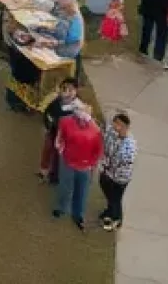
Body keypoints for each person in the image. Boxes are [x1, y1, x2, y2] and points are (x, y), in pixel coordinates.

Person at [51, 101, 102, 230]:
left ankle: (77, 213)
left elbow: (98, 150)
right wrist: (63, 152)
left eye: (85, 110)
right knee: (65, 186)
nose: (83, 113)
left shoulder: (95, 130)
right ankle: (62, 207)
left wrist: (92, 164)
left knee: (82, 190)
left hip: (85, 166)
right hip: (68, 162)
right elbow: (59, 139)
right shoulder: (65, 122)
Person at [97, 112, 137, 233]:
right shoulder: (111, 132)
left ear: (126, 127)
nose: (116, 127)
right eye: (115, 123)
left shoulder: (130, 144)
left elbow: (123, 160)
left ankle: (116, 219)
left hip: (120, 177)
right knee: (107, 192)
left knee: (115, 198)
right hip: (107, 172)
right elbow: (103, 135)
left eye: (120, 125)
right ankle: (109, 210)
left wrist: (109, 163)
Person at [39, 78, 80, 183]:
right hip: (53, 131)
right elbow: (47, 113)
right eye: (65, 89)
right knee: (47, 150)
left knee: (59, 156)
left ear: (76, 91)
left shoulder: (78, 107)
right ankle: (44, 171)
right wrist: (48, 125)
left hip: (65, 137)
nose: (68, 93)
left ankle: (55, 176)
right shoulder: (56, 102)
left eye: (71, 90)